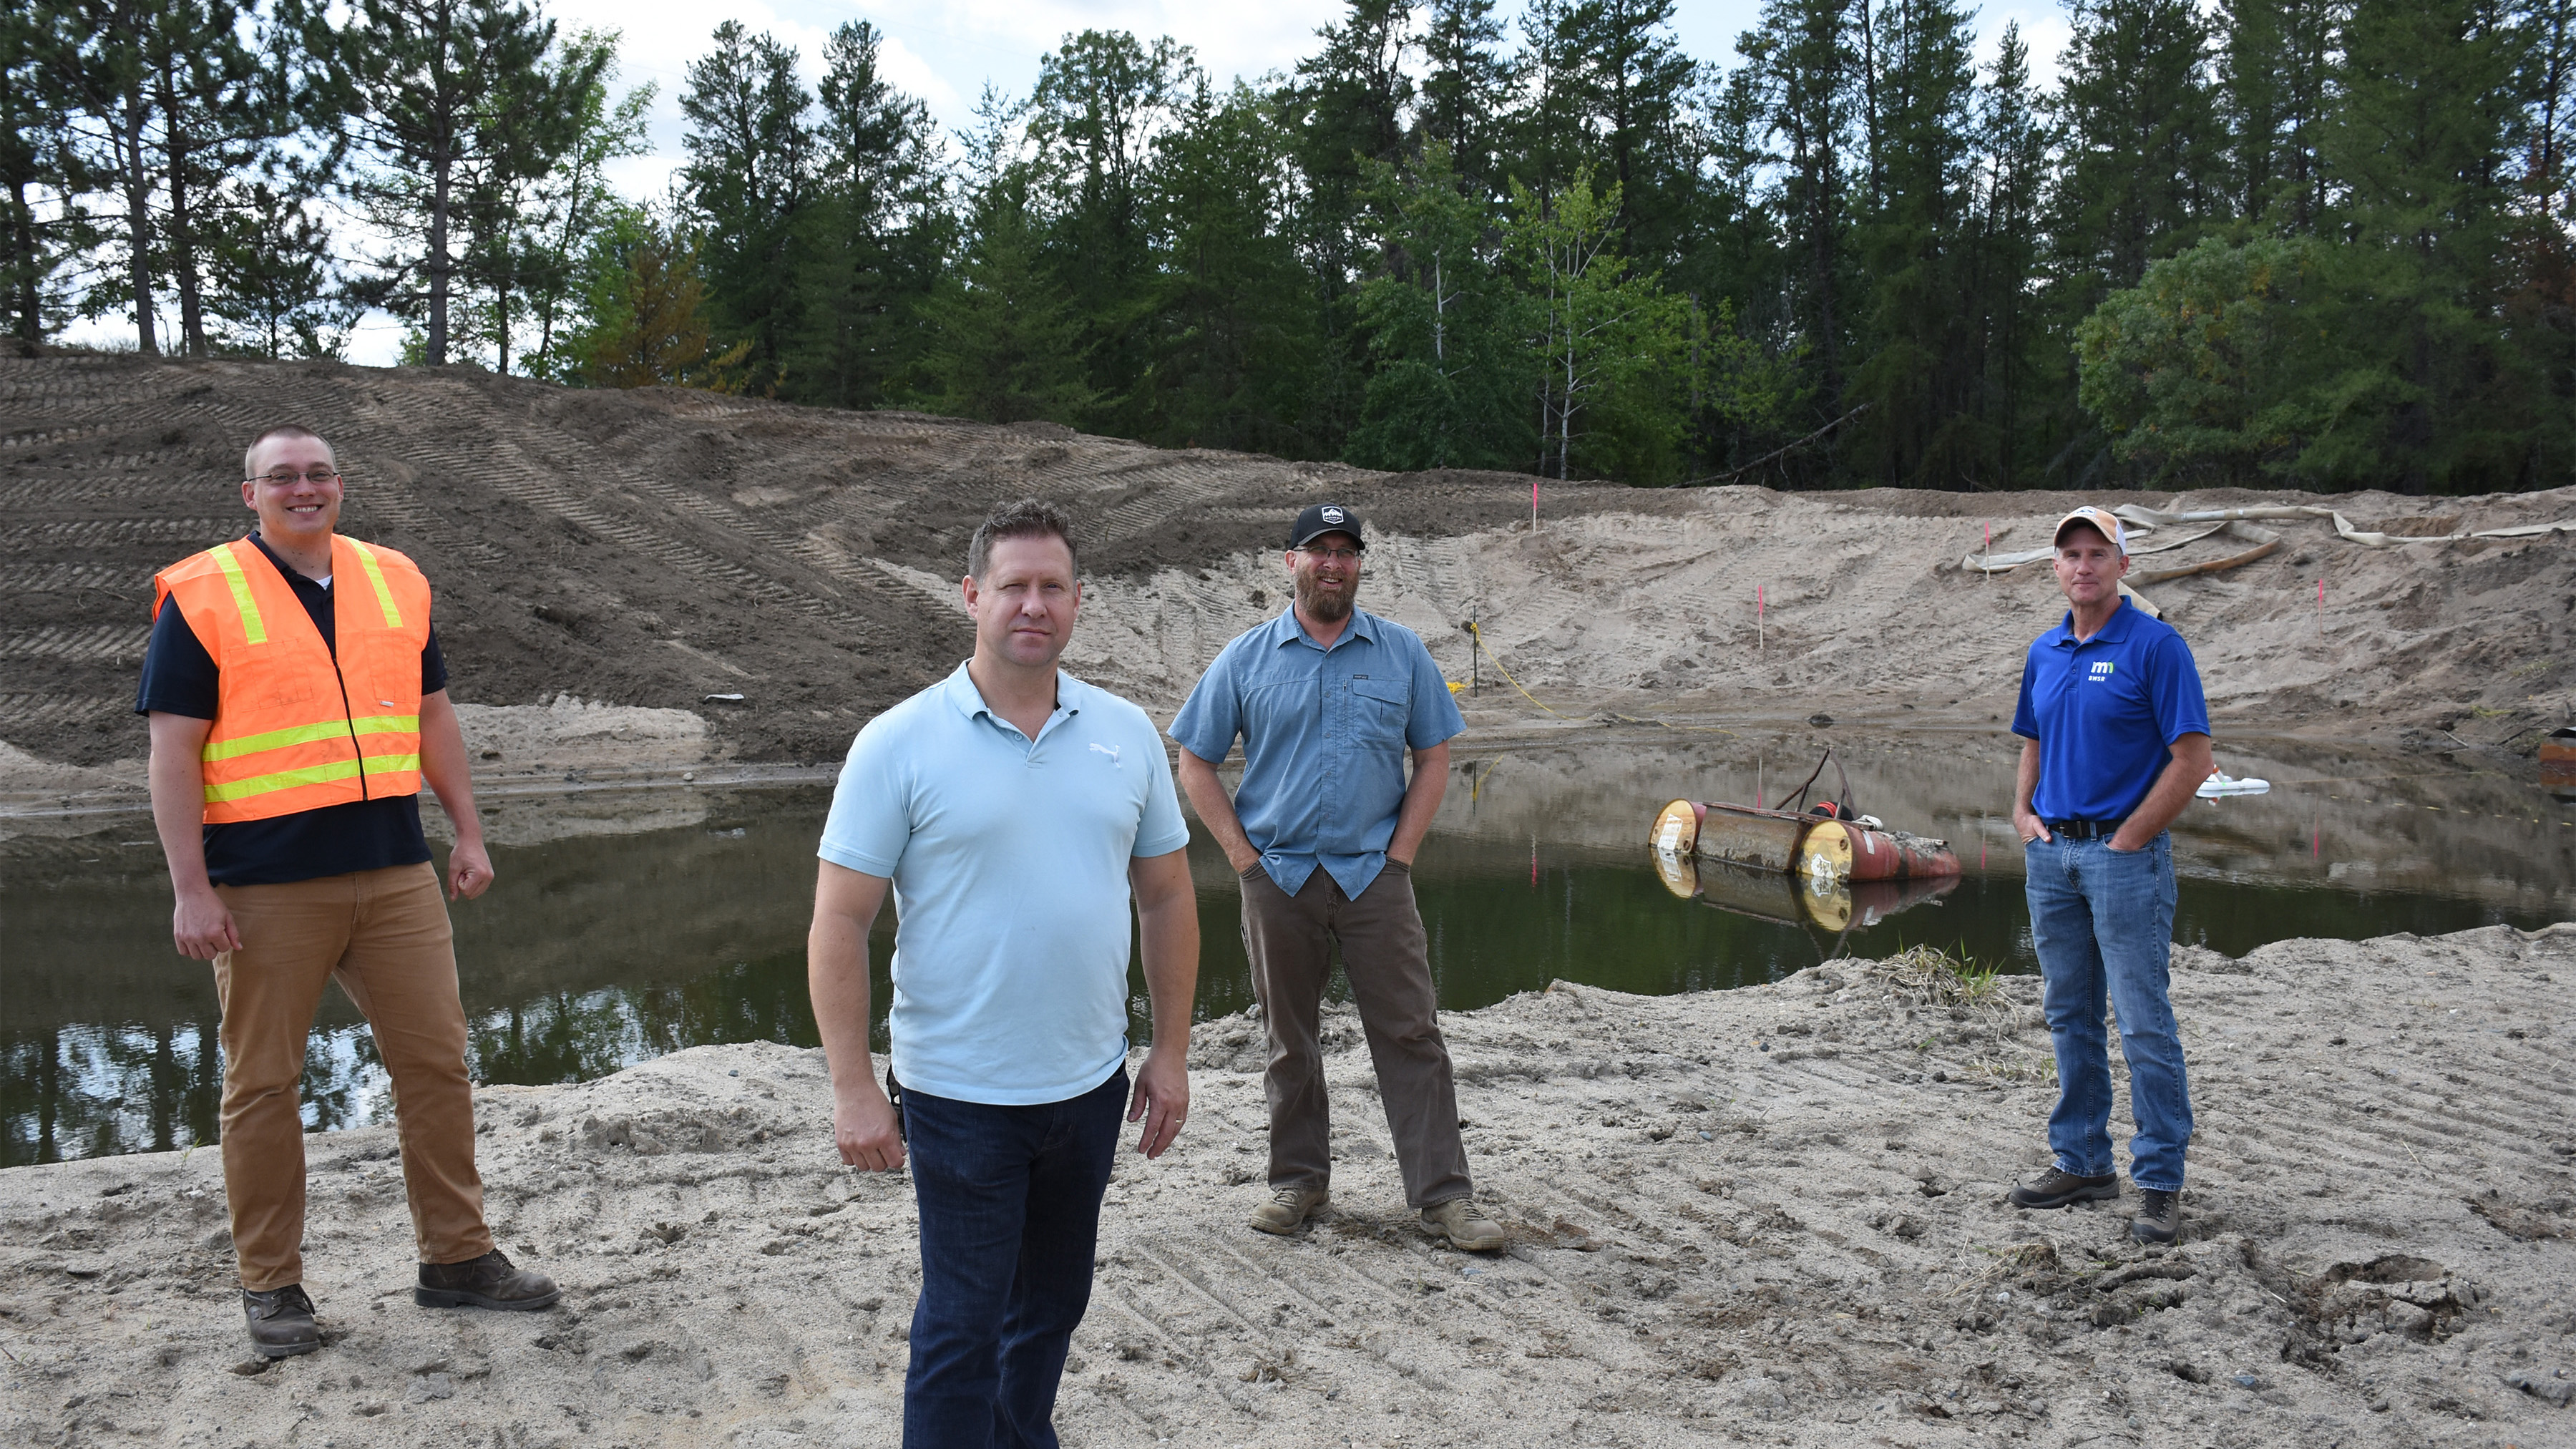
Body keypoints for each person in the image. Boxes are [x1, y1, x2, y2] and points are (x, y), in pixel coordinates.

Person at [140, 424, 557, 1361]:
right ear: (250, 494)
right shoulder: (204, 595)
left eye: (318, 473)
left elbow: (432, 713)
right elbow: (172, 750)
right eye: (280, 477)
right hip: (261, 886)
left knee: (437, 1066)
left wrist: (469, 829)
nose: (303, 489)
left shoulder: (394, 579)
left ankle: (456, 1260)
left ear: (342, 486)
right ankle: (273, 1286)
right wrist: (189, 889)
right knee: (263, 1087)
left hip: (395, 868)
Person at [806, 499, 1198, 1449]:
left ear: (1078, 602)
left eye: (1052, 587)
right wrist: (855, 1088)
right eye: (1014, 586)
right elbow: (839, 923)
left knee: (1055, 1303)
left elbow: (1168, 900)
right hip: (959, 1096)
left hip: (1088, 1086)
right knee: (963, 1322)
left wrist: (1172, 1051)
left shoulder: (1127, 732)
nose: (1034, 604)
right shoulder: (899, 743)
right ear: (973, 595)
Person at [1170, 503, 1505, 1252]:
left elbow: (1436, 757)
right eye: (1317, 551)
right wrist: (1243, 863)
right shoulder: (1247, 658)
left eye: (1346, 552)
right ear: (1289, 562)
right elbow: (1194, 760)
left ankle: (1444, 1199)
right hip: (1278, 878)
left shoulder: (1402, 654)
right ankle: (1299, 1183)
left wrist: (1401, 858)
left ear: (1359, 565)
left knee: (1413, 1033)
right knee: (1290, 1040)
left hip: (1373, 878)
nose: (1332, 564)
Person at [2006, 505, 2214, 1246]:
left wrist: (2130, 839)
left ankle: (2160, 1184)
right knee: (2069, 1014)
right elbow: (2032, 736)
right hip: (2051, 855)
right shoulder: (2046, 650)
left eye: (2098, 553)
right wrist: (2024, 812)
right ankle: (2084, 1162)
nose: (2084, 565)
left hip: (2123, 862)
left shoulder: (2156, 647)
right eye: (2071, 554)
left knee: (2144, 1023)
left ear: (2123, 565)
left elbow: (2194, 761)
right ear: (2055, 567)